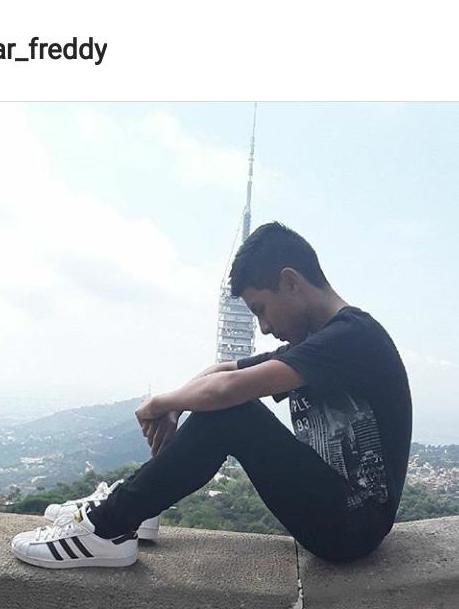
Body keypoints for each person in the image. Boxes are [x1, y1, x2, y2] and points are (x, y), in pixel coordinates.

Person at [11, 222, 412, 568]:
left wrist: (163, 403)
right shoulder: (319, 343)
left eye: (261, 308)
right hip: (336, 512)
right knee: (224, 407)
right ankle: (135, 509)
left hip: (353, 527)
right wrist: (178, 403)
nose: (264, 326)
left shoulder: (353, 337)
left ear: (291, 282)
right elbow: (221, 372)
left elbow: (226, 389)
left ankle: (106, 527)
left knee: (232, 414)